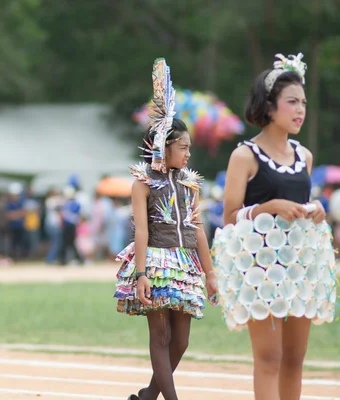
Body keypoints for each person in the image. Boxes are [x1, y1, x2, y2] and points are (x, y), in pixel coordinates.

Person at [214, 53, 336, 400]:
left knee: (295, 360)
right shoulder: (244, 156)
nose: (300, 110)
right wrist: (266, 208)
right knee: (270, 357)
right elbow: (229, 216)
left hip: (299, 267)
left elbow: (303, 204)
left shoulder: (305, 156)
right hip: (260, 269)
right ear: (269, 106)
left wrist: (315, 211)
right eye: (292, 102)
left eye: (304, 103)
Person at [114, 59, 216, 400]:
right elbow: (141, 232)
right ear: (163, 146)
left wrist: (211, 273)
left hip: (186, 264)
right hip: (155, 263)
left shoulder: (190, 184)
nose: (188, 153)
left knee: (182, 341)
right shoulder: (143, 184)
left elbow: (198, 229)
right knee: (160, 338)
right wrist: (141, 273)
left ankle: (147, 397)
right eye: (183, 147)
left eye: (189, 147)